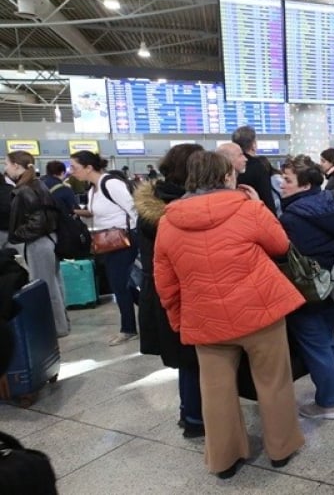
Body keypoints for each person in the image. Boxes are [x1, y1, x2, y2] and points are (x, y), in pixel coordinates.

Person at [154, 150, 305, 478]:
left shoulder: (168, 221)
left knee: (216, 391)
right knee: (273, 382)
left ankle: (224, 459)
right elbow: (280, 245)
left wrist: (178, 320)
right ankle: (280, 449)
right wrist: (259, 205)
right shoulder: (247, 209)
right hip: (260, 312)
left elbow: (165, 281)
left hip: (206, 320)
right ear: (225, 177)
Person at [135, 143, 206, 438]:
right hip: (182, 291)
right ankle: (195, 420)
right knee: (193, 358)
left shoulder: (155, 203)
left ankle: (189, 414)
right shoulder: (180, 211)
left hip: (162, 291)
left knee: (186, 358)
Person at [279, 157, 334, 419]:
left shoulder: (292, 216)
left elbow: (283, 251)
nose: (282, 185)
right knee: (328, 339)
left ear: (305, 184)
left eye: (288, 180)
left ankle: (328, 403)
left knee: (316, 344)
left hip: (309, 290)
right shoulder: (331, 203)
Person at [71, 151, 140, 346]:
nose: (71, 172)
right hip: (107, 242)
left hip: (122, 240)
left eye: (74, 167)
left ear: (88, 167)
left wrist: (133, 236)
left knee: (119, 284)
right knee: (123, 283)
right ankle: (151, 310)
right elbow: (96, 212)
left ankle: (128, 329)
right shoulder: (93, 189)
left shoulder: (111, 184)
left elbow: (134, 209)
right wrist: (74, 211)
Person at [6, 151, 70, 338]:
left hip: (38, 243)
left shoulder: (25, 189)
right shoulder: (38, 185)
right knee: (55, 284)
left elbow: (38, 221)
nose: (6, 168)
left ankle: (57, 328)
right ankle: (61, 324)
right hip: (49, 240)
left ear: (17, 166)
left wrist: (17, 234)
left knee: (46, 286)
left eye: (7, 164)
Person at [232, 125, 277, 214]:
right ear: (253, 145)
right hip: (256, 214)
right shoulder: (258, 167)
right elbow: (267, 199)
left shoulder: (229, 165)